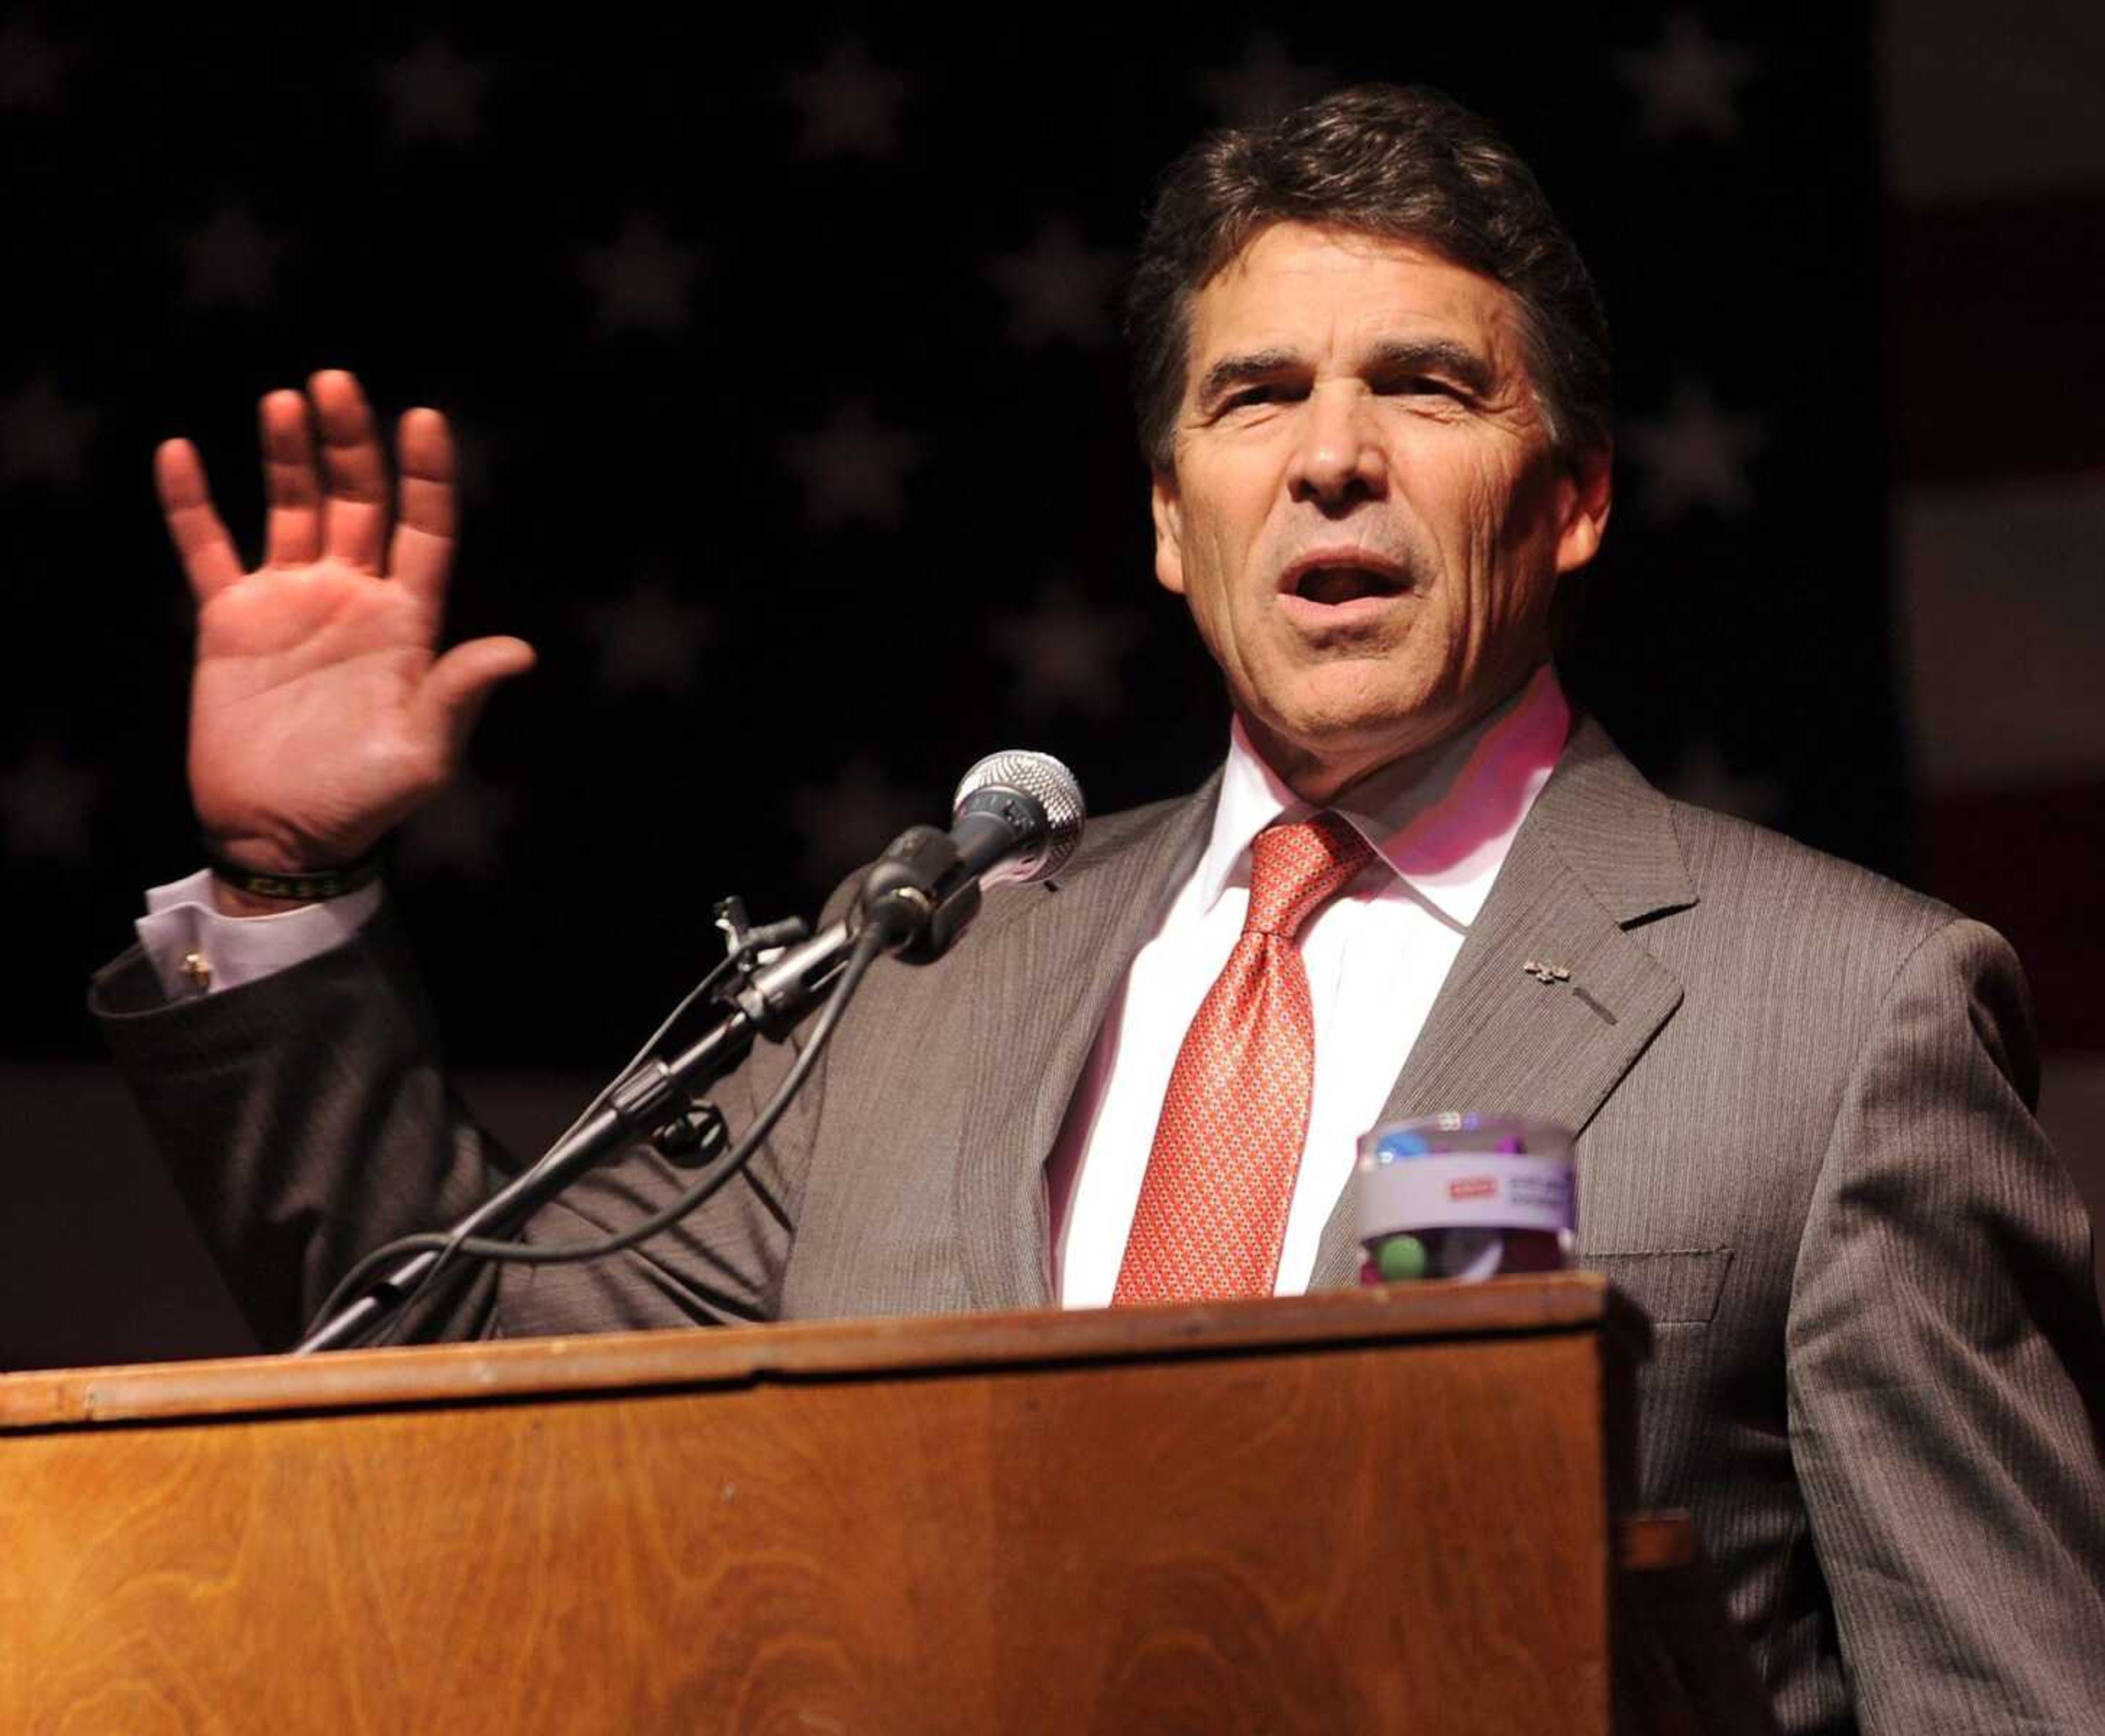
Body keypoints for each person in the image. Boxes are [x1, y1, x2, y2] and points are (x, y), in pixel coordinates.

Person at [94, 86, 2104, 1733]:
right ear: (1168, 517)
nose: (1332, 460)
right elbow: (475, 1380)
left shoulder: (1850, 1019)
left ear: (1572, 494)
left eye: (1422, 387)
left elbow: (2001, 1698)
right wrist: (293, 885)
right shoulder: (924, 966)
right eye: (1254, 400)